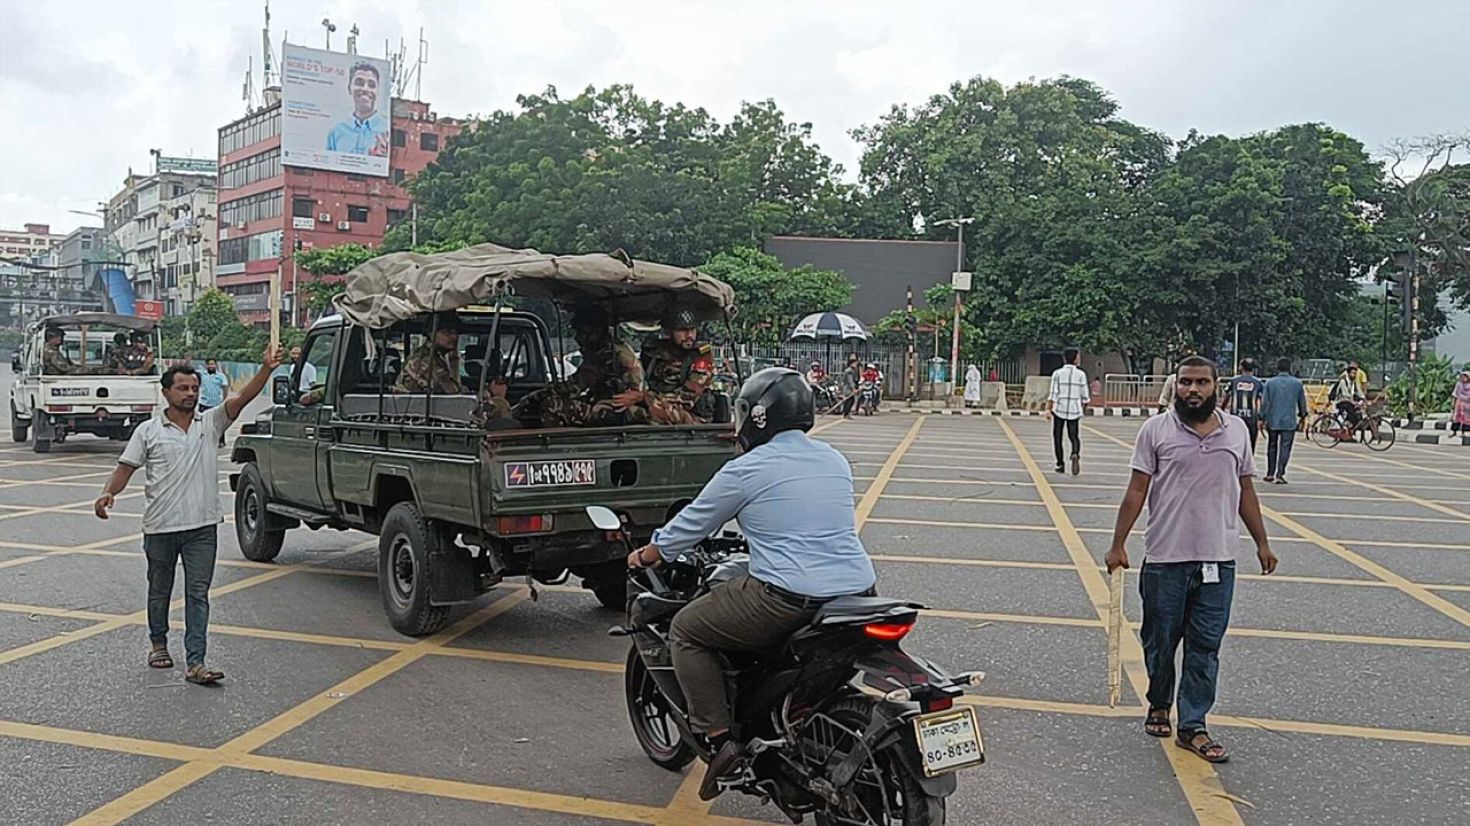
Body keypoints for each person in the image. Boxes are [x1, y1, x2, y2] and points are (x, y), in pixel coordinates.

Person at [626, 368, 876, 800]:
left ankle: (721, 743)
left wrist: (647, 554)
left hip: (788, 599)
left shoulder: (747, 468)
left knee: (687, 630)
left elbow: (692, 525)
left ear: (756, 417)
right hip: (857, 592)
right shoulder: (833, 459)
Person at [1107, 355, 1277, 765]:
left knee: (1206, 645)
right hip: (1166, 559)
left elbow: (1245, 491)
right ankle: (1159, 701)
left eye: (1202, 382)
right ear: (1176, 385)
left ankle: (1193, 725)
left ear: (1217, 386)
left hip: (1219, 560)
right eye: (1186, 382)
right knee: (1160, 642)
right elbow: (1136, 491)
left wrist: (1261, 542)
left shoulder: (1237, 431)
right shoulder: (1156, 431)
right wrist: (1118, 545)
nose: (1193, 390)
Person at [94, 346, 284, 685]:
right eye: (183, 388)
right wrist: (109, 492)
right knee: (159, 589)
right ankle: (158, 643)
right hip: (160, 527)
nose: (190, 394)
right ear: (166, 392)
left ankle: (196, 662)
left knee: (198, 594)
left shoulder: (209, 423)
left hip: (202, 528)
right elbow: (126, 467)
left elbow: (240, 399)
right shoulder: (148, 431)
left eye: (194, 388)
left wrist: (266, 369)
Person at [637, 306, 715, 425]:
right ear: (669, 332)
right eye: (683, 330)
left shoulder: (701, 355)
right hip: (662, 406)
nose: (689, 335)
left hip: (692, 417)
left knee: (651, 415)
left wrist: (644, 398)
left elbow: (687, 397)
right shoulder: (658, 353)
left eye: (692, 329)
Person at [1260, 358, 1309, 484]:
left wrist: (1262, 417)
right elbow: (1302, 402)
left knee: (1272, 446)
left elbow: (1265, 402)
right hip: (1289, 420)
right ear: (1290, 368)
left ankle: (1270, 473)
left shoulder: (1270, 383)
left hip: (1273, 419)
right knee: (1285, 447)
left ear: (1277, 367)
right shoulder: (1297, 383)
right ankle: (1280, 474)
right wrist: (1303, 416)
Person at [325, 61, 389, 157]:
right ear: (349, 88)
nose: (365, 89)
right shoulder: (336, 131)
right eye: (359, 83)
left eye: (371, 85)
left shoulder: (387, 130)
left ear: (377, 91)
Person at [1048, 347, 1090, 475]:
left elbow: (1053, 394)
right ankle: (1075, 453)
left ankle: (1060, 464)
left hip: (1059, 409)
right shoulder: (1081, 374)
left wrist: (1048, 409)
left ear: (1064, 358)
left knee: (1057, 437)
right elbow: (1085, 396)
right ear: (1076, 359)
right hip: (1074, 410)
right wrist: (1083, 408)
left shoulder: (1057, 373)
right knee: (1074, 436)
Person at [397, 314, 463, 394]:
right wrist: (454, 362)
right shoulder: (426, 360)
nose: (454, 337)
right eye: (446, 332)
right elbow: (454, 394)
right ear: (431, 334)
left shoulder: (434, 357)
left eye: (456, 333)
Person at [1223, 358, 1264, 453]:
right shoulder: (1258, 383)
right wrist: (1261, 417)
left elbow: (1226, 396)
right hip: (1252, 418)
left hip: (1235, 417)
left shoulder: (1234, 381)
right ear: (1253, 369)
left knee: (1234, 444)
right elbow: (1262, 400)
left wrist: (1222, 409)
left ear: (1241, 367)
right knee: (1250, 445)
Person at [1329, 361, 1366, 428]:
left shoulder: (1353, 382)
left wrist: (1363, 398)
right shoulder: (1343, 381)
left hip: (1348, 401)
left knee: (1357, 413)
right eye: (1352, 373)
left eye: (1355, 373)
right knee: (1351, 411)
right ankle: (1346, 425)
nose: (1354, 375)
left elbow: (1359, 391)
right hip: (1340, 401)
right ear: (1348, 373)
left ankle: (1350, 428)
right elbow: (1345, 394)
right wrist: (1354, 402)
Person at [838, 354, 860, 418]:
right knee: (849, 401)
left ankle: (846, 413)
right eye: (855, 364)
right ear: (852, 364)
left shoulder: (852, 370)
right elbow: (850, 381)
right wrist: (853, 389)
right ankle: (846, 413)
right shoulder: (849, 371)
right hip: (848, 388)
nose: (856, 365)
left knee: (851, 401)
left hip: (848, 388)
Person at [1452, 370, 1470, 435]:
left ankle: (1464, 432)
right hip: (1459, 403)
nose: (1463, 378)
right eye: (1462, 377)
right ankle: (1454, 432)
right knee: (1457, 418)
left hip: (1468, 405)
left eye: (1465, 377)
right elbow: (1455, 394)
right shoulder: (1459, 384)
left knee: (1467, 419)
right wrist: (1453, 403)